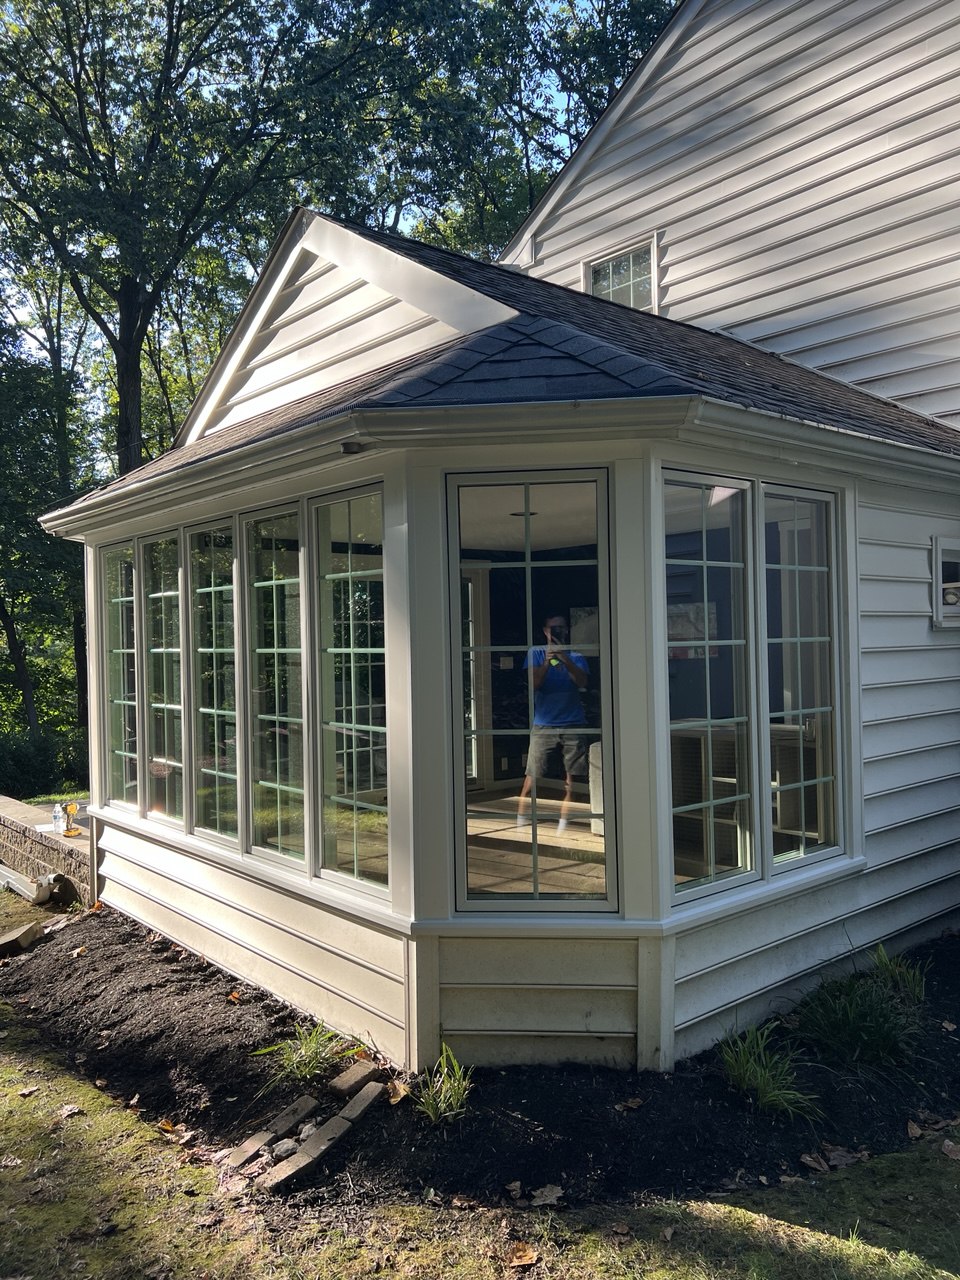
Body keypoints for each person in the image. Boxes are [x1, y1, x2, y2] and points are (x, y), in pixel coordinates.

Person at [517, 615, 589, 834]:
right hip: (544, 724)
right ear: (545, 631)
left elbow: (583, 683)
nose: (558, 632)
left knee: (571, 778)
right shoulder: (535, 653)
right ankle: (520, 819)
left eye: (562, 628)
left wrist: (564, 659)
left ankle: (563, 825)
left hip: (573, 723)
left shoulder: (576, 655)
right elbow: (535, 684)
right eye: (554, 628)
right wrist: (548, 660)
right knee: (533, 775)